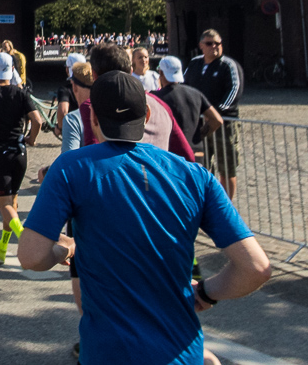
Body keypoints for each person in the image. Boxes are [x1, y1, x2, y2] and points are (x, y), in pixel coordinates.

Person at [19, 71, 271, 365]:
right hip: (181, 352)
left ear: (94, 119)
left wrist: (63, 248)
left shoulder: (71, 169)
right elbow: (257, 268)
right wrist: (206, 291)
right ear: (148, 114)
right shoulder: (195, 176)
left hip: (109, 353)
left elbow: (31, 257)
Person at [0, 52, 43, 264]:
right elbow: (37, 120)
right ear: (12, 69)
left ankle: (24, 238)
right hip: (20, 153)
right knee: (12, 202)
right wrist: (31, 138)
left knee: (5, 205)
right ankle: (2, 247)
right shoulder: (21, 94)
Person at [184, 29, 244, 199]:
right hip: (200, 123)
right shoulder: (195, 64)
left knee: (227, 166)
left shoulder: (228, 65)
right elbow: (184, 86)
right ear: (201, 46)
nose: (215, 47)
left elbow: (234, 92)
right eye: (210, 43)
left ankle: (227, 208)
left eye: (218, 43)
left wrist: (215, 112)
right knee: (201, 165)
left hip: (224, 124)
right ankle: (205, 204)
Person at [153, 56, 223, 151]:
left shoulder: (155, 97)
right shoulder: (196, 93)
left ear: (161, 72)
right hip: (195, 150)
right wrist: (199, 136)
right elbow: (217, 120)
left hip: (170, 151)